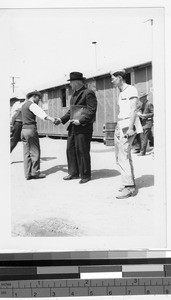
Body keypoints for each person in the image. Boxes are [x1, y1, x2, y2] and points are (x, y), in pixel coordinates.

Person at [55, 72, 97, 184]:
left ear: (77, 82)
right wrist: (61, 119)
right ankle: (73, 173)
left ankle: (85, 175)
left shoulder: (88, 93)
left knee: (82, 151)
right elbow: (71, 111)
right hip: (73, 127)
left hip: (83, 127)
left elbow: (92, 111)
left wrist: (81, 121)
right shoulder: (74, 94)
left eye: (71, 82)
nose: (70, 85)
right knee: (70, 149)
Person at [110, 69, 143, 199]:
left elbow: (134, 109)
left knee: (123, 156)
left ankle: (129, 187)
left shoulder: (131, 90)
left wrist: (130, 128)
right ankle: (128, 182)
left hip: (128, 126)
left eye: (113, 78)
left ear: (119, 77)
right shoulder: (121, 92)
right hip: (121, 125)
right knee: (120, 156)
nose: (112, 81)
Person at [21, 90, 56, 180]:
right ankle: (35, 173)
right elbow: (41, 114)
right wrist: (52, 119)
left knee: (26, 153)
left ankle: (27, 174)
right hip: (30, 130)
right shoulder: (32, 105)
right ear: (35, 96)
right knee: (35, 151)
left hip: (23, 130)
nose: (39, 100)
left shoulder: (24, 105)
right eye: (39, 98)